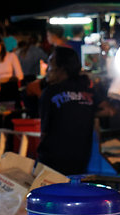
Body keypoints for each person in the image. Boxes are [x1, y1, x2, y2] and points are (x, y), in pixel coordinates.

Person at [38, 46, 96, 176]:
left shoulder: (50, 92)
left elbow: (44, 132)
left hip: (53, 163)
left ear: (62, 69)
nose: (47, 69)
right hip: (81, 162)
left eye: (51, 63)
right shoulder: (88, 90)